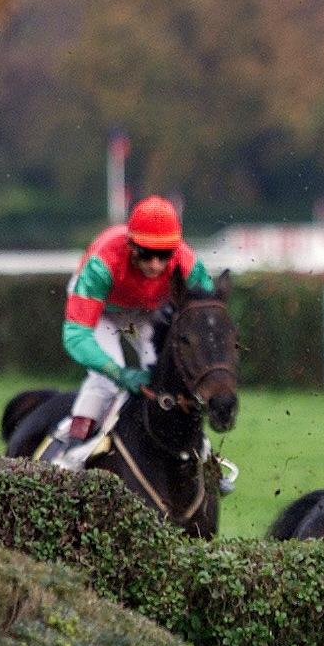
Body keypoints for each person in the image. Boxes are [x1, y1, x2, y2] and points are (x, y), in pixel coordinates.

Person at [42, 195, 217, 471]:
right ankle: (70, 451)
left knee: (167, 373)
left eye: (165, 255)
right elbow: (76, 335)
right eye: (147, 253)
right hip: (102, 311)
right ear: (131, 245)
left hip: (146, 311)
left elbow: (208, 312)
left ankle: (198, 449)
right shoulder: (103, 262)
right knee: (107, 381)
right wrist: (120, 373)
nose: (156, 264)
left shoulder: (186, 263)